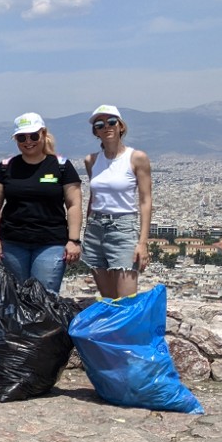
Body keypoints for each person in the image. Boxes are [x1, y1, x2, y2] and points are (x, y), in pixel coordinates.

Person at [0, 112, 82, 293]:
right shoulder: (5, 167)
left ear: (43, 134)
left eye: (34, 135)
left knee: (45, 297)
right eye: (22, 137)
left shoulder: (61, 166)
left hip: (51, 242)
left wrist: (74, 240)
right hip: (12, 242)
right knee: (14, 297)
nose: (28, 141)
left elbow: (74, 204)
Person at [82, 104, 153, 299]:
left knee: (126, 300)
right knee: (108, 299)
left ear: (121, 126)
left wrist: (142, 243)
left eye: (111, 122)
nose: (106, 127)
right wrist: (87, 229)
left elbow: (145, 201)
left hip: (123, 227)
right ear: (95, 131)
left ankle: (127, 331)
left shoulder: (137, 158)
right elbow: (93, 197)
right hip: (95, 228)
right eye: (100, 124)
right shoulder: (91, 160)